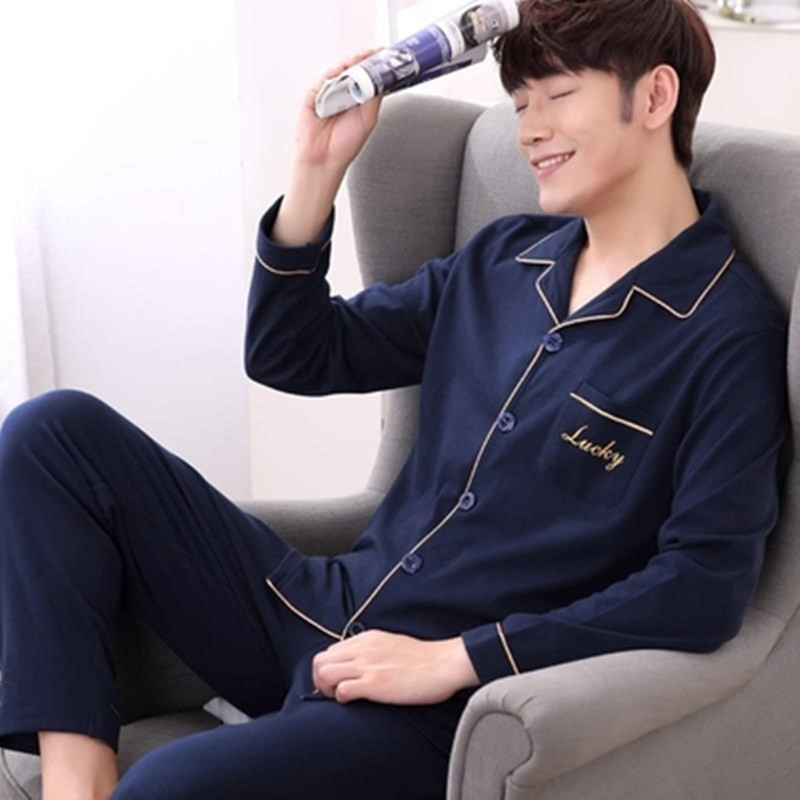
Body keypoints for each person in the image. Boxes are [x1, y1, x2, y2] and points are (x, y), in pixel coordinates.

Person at [0, 0, 788, 798]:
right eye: (520, 102)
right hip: (318, 609)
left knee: (170, 785)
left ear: (654, 97)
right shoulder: (504, 260)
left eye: (557, 94)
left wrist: (459, 659)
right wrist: (316, 170)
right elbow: (293, 352)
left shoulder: (726, 336)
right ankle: (74, 781)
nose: (530, 130)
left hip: (432, 706)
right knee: (52, 434)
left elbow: (703, 587)